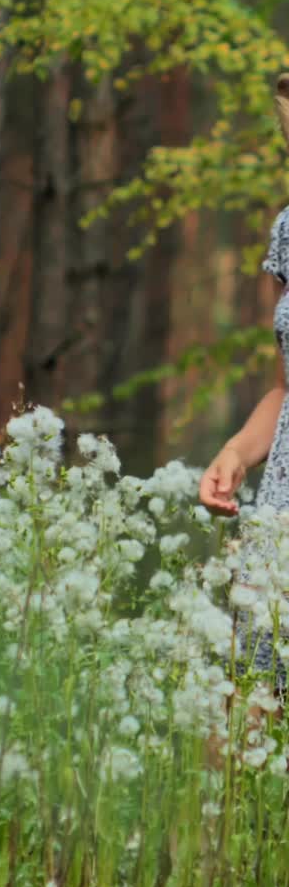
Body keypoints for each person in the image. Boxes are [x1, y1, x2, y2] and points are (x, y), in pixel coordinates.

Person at [199, 199, 289, 697]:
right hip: (279, 513)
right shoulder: (288, 230)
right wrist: (235, 451)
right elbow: (285, 387)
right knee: (254, 705)